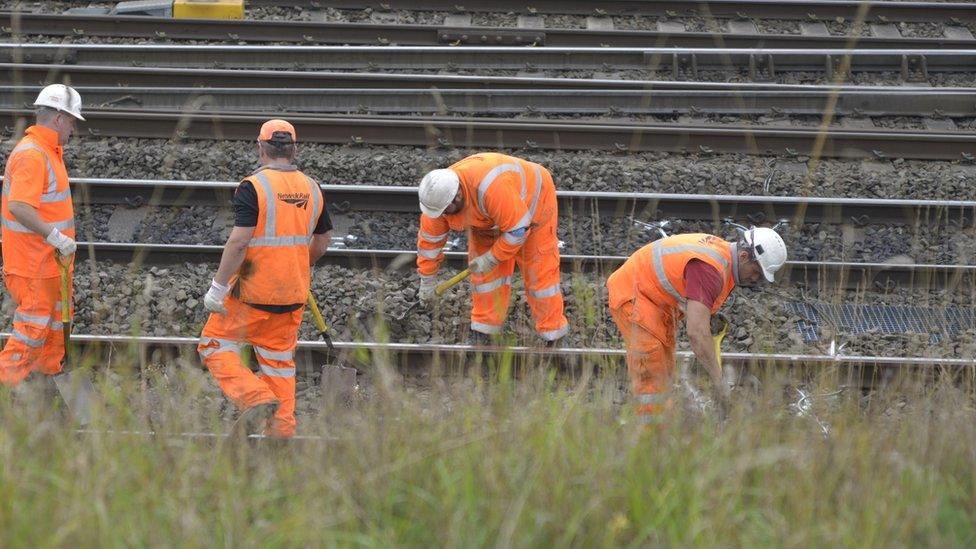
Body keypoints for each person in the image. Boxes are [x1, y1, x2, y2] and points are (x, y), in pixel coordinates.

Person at [197, 119, 332, 438]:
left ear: (261, 148)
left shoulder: (253, 187)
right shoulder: (312, 188)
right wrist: (298, 263)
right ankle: (282, 434)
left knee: (213, 345)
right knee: (279, 364)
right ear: (294, 149)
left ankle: (255, 398)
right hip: (293, 295)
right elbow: (323, 241)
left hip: (253, 295)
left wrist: (217, 287)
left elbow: (239, 241)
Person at [606, 228, 787, 425]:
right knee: (652, 375)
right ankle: (650, 439)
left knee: (665, 370)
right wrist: (719, 381)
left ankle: (660, 428)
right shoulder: (710, 269)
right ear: (744, 256)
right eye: (756, 272)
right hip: (636, 298)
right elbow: (697, 334)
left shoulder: (722, 255)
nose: (755, 279)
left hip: (655, 301)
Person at [416, 152, 568, 345]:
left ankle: (554, 336)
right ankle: (485, 333)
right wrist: (427, 282)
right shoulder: (437, 203)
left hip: (533, 205)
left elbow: (518, 231)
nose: (443, 216)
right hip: (488, 219)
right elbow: (429, 245)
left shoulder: (491, 188)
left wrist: (491, 258)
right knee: (485, 278)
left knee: (540, 273)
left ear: (457, 197)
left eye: (446, 211)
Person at [0, 84, 84, 385]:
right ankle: (5, 388)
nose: (73, 128)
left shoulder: (49, 151)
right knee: (32, 330)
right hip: (33, 265)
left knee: (52, 329)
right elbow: (20, 206)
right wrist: (55, 237)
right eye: (72, 121)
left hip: (51, 265)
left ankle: (47, 383)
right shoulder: (33, 155)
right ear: (59, 118)